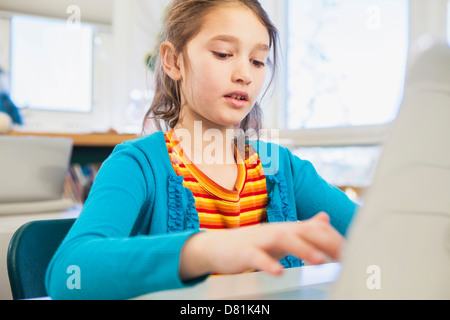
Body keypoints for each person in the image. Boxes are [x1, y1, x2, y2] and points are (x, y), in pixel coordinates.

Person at [46, 0, 358, 300]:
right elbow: (68, 274)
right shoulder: (138, 164)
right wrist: (207, 249)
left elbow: (378, 231)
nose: (245, 75)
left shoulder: (282, 168)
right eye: (223, 54)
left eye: (257, 61)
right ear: (173, 61)